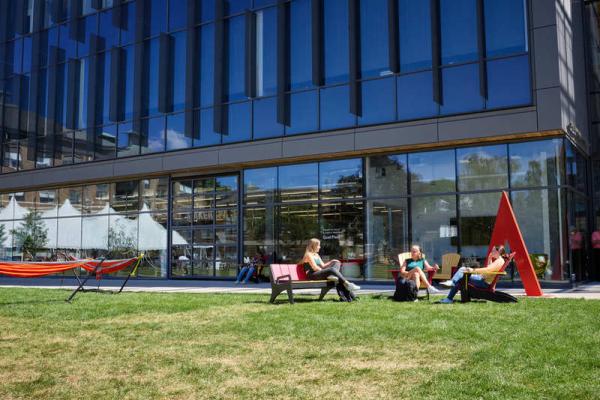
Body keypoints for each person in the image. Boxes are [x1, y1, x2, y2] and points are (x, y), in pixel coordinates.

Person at [439, 245, 508, 304]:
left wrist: (473, 270)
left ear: (498, 252)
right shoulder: (499, 261)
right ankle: (451, 287)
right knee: (462, 270)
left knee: (461, 276)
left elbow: (488, 270)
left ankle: (450, 291)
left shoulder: (499, 261)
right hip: (482, 279)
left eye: (493, 251)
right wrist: (490, 258)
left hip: (483, 282)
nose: (492, 252)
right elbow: (489, 268)